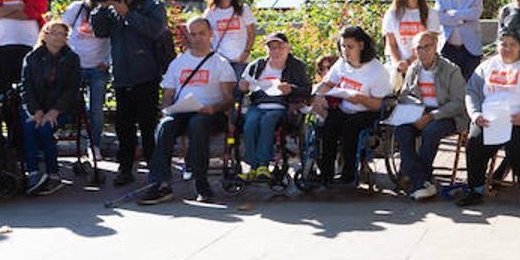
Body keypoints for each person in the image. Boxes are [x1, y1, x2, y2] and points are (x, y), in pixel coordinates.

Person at [137, 17, 237, 204]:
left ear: (210, 35)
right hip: (182, 112)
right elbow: (168, 94)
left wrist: (214, 107)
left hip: (211, 114)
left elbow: (228, 99)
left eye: (202, 33)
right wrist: (166, 107)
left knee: (198, 123)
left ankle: (201, 183)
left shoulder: (221, 63)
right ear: (188, 37)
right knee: (165, 125)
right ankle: (160, 183)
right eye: (193, 34)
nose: (197, 38)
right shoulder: (178, 63)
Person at [459, 29, 520, 209]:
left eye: (512, 44)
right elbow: (471, 91)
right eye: (503, 44)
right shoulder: (487, 66)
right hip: (491, 119)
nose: (507, 48)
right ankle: (476, 189)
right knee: (474, 142)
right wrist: (476, 114)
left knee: (517, 144)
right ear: (496, 46)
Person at [91, 0, 168, 186]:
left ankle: (155, 169)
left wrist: (128, 14)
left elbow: (156, 30)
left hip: (146, 74)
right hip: (122, 76)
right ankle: (125, 168)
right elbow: (99, 31)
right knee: (123, 127)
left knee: (147, 124)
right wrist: (102, 7)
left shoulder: (152, 4)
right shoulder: (113, 8)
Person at [312, 25, 393, 185]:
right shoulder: (342, 64)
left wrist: (361, 99)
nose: (345, 51)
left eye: (350, 47)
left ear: (361, 46)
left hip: (368, 110)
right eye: (343, 46)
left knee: (350, 127)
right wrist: (318, 95)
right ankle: (326, 173)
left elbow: (381, 105)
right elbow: (327, 83)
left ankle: (348, 173)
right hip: (345, 106)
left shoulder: (377, 70)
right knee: (329, 126)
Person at [393, 30, 468, 201]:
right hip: (420, 112)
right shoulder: (414, 69)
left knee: (430, 131)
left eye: (427, 46)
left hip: (447, 114)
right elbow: (404, 95)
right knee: (402, 130)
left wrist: (432, 115)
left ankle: (420, 180)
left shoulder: (451, 70)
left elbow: (459, 102)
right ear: (414, 51)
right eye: (419, 48)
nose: (423, 51)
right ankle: (422, 181)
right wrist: (418, 112)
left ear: (436, 47)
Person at [19, 19, 81, 196]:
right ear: (45, 35)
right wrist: (36, 111)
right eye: (54, 33)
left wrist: (54, 111)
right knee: (30, 126)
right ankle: (33, 173)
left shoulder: (72, 58)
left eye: (62, 34)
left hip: (61, 108)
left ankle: (53, 174)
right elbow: (26, 88)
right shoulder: (32, 58)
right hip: (36, 107)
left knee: (46, 128)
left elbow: (72, 89)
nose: (58, 38)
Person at [237, 31, 311, 180]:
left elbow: (307, 91)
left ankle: (263, 165)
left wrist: (291, 89)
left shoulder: (296, 66)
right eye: (272, 48)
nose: (276, 51)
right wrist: (242, 87)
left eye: (280, 47)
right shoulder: (257, 65)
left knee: (268, 120)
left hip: (282, 105)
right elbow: (241, 87)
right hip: (258, 103)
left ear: (288, 48)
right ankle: (252, 166)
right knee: (250, 122)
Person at [61, 0, 114, 158]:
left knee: (96, 109)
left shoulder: (111, 12)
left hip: (97, 67)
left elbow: (116, 40)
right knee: (67, 103)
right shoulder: (77, 8)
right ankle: (64, 138)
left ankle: (94, 145)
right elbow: (61, 30)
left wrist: (107, 62)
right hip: (75, 66)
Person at [382, 0, 440, 83]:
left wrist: (409, 62)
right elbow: (392, 44)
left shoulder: (431, 14)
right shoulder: (392, 14)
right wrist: (399, 64)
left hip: (423, 66)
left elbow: (432, 45)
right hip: (399, 68)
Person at [435, 0, 484, 80]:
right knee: (449, 85)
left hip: (471, 50)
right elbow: (439, 18)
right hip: (448, 49)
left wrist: (451, 13)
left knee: (471, 86)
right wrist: (464, 18)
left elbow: (475, 14)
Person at [203, 0, 256, 78]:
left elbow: (252, 33)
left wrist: (246, 52)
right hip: (220, 60)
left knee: (238, 92)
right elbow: (205, 35)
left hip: (240, 60)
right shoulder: (211, 13)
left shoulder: (243, 9)